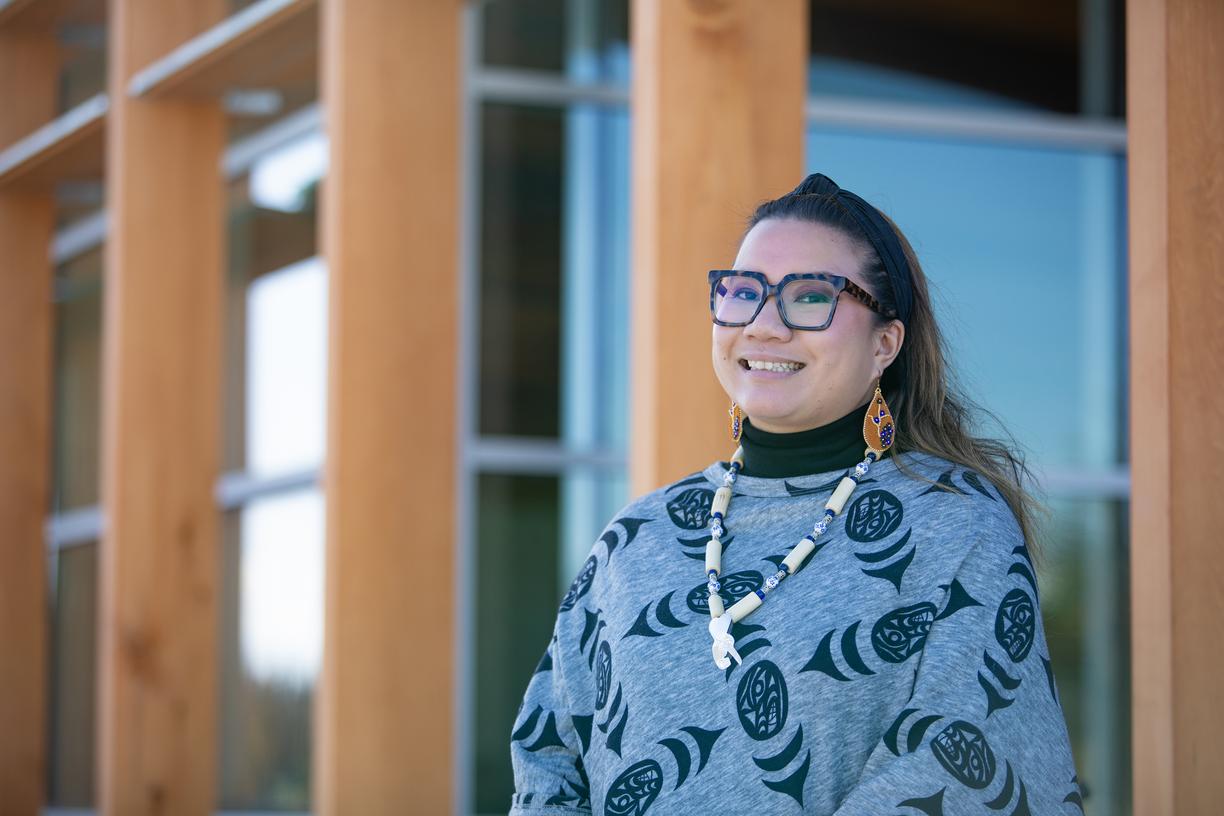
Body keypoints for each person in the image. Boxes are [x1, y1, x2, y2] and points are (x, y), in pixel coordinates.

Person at [509, 173, 1080, 815]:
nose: (764, 326)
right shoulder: (639, 534)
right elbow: (548, 756)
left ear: (884, 344)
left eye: (810, 298)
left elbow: (960, 765)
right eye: (743, 292)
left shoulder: (953, 523)